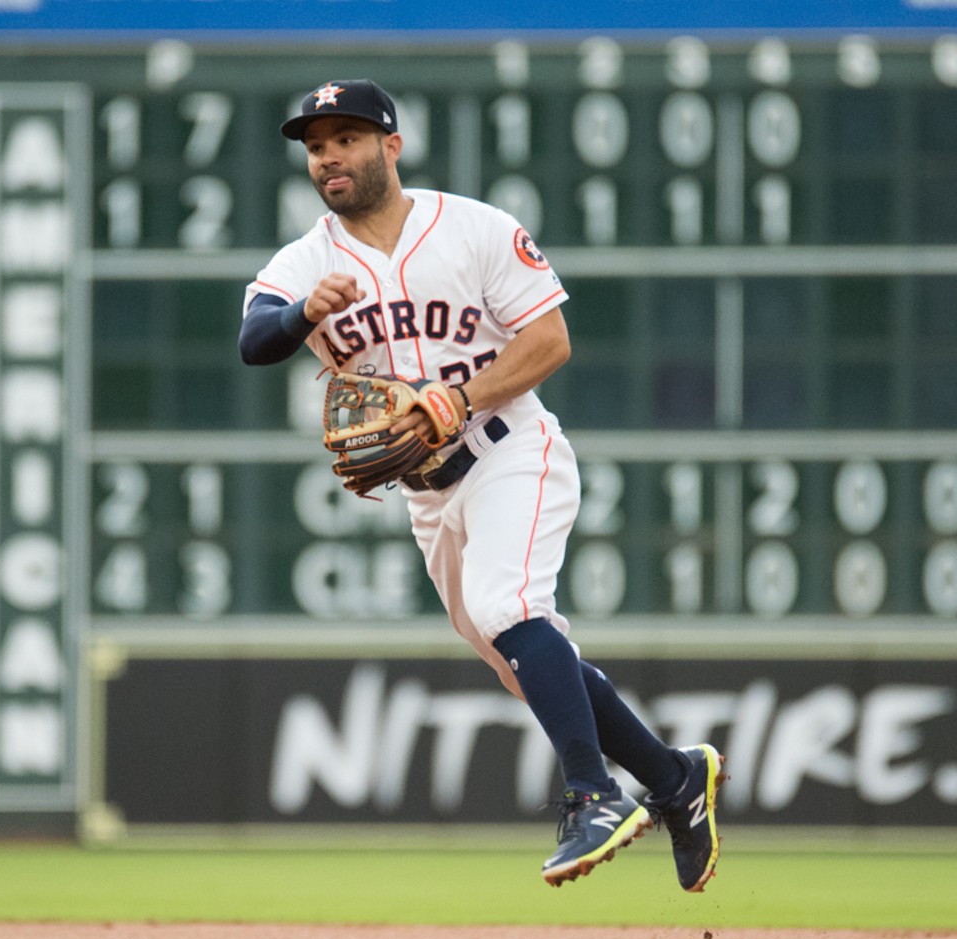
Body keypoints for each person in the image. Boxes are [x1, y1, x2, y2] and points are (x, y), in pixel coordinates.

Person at [239, 79, 725, 891]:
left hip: (509, 449)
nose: (329, 155)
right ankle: (676, 779)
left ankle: (593, 795)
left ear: (391, 146)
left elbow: (550, 340)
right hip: (427, 496)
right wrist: (297, 317)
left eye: (348, 137)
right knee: (522, 658)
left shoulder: (472, 228)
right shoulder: (307, 261)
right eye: (316, 144)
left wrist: (459, 398)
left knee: (510, 610)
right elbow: (255, 340)